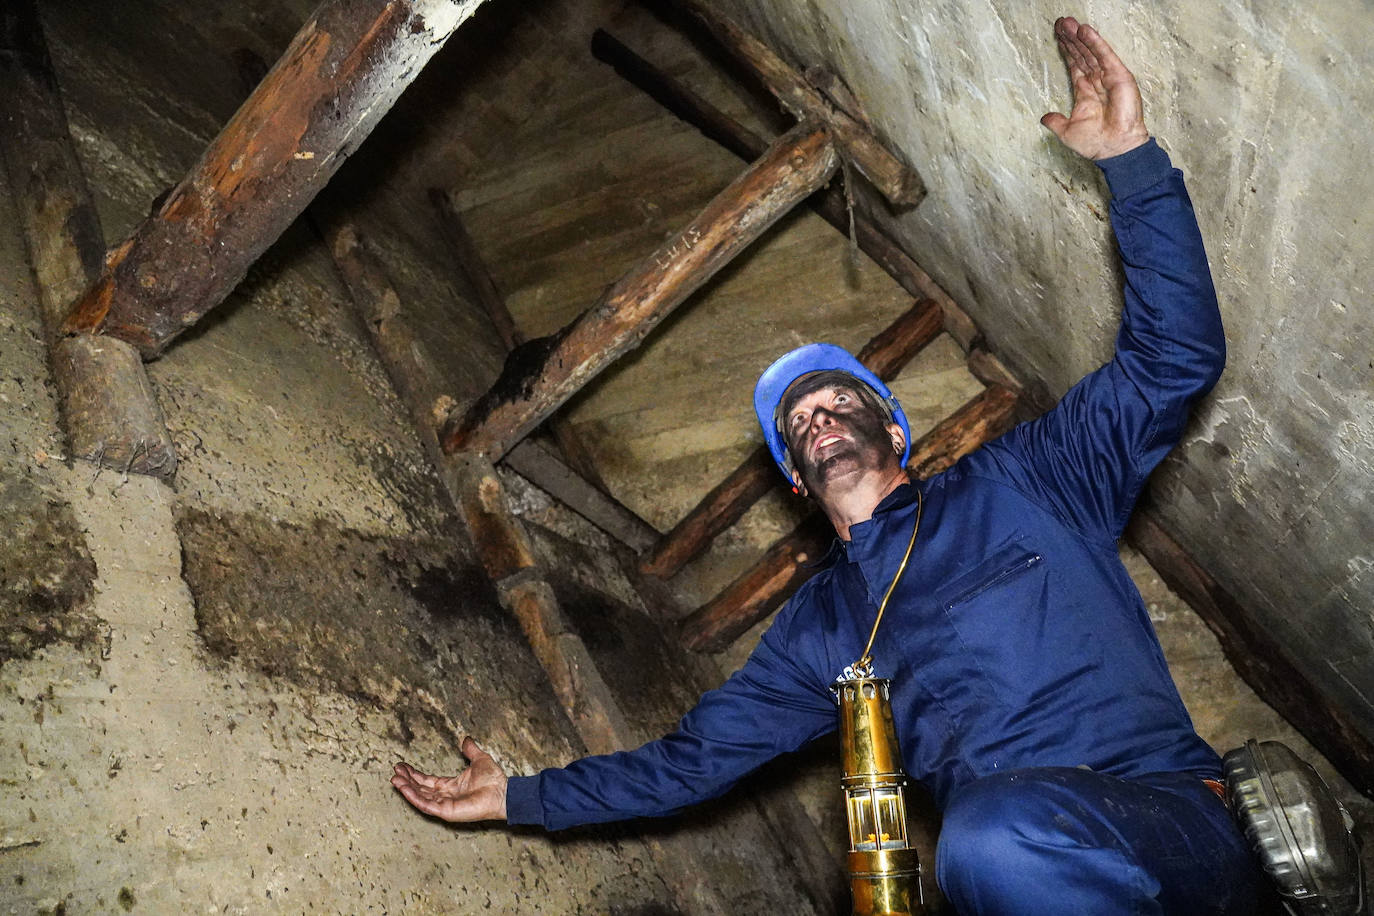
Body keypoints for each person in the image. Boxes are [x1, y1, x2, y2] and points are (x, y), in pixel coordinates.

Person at [392, 17, 1263, 914]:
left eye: (839, 400)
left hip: (1173, 827)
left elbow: (1172, 359)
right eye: (798, 424)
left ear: (892, 427)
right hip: (1019, 874)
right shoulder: (820, 633)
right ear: (797, 482)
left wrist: (1132, 165)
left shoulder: (1029, 482)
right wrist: (522, 798)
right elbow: (694, 762)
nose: (818, 418)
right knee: (987, 848)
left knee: (991, 838)